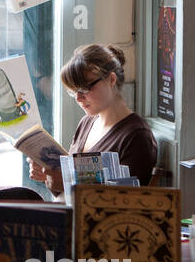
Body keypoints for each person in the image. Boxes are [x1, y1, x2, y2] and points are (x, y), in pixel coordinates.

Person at [30, 43, 159, 196]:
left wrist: (66, 184)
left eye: (84, 88)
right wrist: (48, 175)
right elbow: (68, 192)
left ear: (111, 79)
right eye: (73, 91)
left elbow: (126, 200)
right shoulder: (86, 123)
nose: (78, 98)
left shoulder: (137, 135)